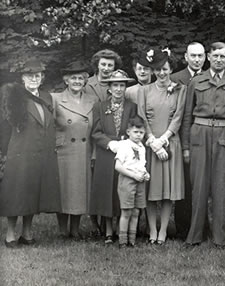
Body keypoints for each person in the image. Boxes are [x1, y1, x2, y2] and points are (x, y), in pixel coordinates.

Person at [182, 42, 225, 247]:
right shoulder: (196, 82)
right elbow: (187, 115)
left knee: (220, 187)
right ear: (208, 57)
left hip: (224, 136)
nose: (218, 59)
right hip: (199, 134)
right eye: (215, 56)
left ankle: (219, 237)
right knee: (198, 187)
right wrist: (186, 147)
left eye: (222, 56)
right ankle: (195, 235)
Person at [0, 59, 61, 247]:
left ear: (42, 78)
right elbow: (5, 126)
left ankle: (27, 233)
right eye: (30, 75)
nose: (34, 78)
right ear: (23, 77)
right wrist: (4, 152)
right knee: (16, 194)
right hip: (19, 153)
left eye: (37, 75)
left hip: (41, 154)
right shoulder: (14, 95)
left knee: (32, 193)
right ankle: (10, 234)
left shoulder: (46, 97)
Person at [137, 48, 186, 245]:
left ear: (171, 68)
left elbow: (178, 117)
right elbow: (141, 116)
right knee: (150, 190)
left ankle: (163, 230)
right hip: (150, 145)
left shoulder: (180, 90)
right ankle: (152, 230)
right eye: (157, 70)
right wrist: (153, 142)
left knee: (167, 191)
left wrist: (163, 139)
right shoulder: (144, 90)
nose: (162, 73)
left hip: (170, 144)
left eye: (165, 69)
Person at [51, 60, 98, 239]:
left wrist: (93, 152)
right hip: (63, 151)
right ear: (66, 80)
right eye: (73, 78)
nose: (77, 81)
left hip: (83, 150)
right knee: (64, 190)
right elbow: (50, 126)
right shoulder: (55, 99)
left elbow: (95, 130)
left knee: (79, 190)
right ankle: (63, 230)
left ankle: (75, 229)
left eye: (80, 78)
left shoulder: (92, 101)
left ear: (85, 80)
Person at [89, 70, 137, 244]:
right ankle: (108, 231)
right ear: (109, 88)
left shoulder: (132, 106)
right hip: (106, 153)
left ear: (125, 87)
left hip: (125, 153)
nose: (118, 89)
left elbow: (134, 128)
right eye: (115, 85)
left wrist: (125, 144)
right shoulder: (100, 106)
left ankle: (121, 229)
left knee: (121, 189)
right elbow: (95, 131)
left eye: (121, 85)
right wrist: (109, 143)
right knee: (107, 191)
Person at [171, 42, 206, 238]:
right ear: (186, 57)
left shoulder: (210, 77)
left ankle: (202, 226)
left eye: (200, 56)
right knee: (184, 184)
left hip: (204, 136)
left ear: (205, 57)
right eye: (193, 55)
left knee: (202, 185)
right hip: (180, 136)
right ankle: (182, 228)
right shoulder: (176, 79)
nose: (196, 59)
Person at [114, 116, 150, 248]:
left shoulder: (142, 147)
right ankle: (123, 241)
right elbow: (118, 166)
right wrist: (133, 175)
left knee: (136, 212)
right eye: (136, 132)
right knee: (126, 211)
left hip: (139, 181)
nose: (138, 135)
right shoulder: (124, 146)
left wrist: (145, 173)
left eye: (141, 132)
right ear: (128, 131)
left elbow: (141, 165)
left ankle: (132, 240)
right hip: (127, 180)